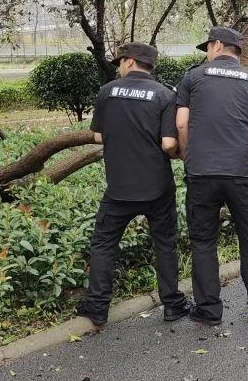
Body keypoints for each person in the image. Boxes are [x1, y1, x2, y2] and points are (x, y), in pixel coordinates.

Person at [78, 42, 190, 327]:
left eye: (120, 62)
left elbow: (98, 138)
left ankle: (98, 307)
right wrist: (179, 154)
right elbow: (168, 143)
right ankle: (172, 305)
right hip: (157, 186)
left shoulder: (107, 92)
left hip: (119, 187)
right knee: (164, 243)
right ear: (149, 66)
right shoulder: (166, 94)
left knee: (103, 243)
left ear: (128, 62)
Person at [175, 26, 248, 326]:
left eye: (207, 46)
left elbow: (181, 124)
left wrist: (186, 155)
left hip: (201, 173)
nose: (207, 52)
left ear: (218, 45)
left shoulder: (193, 78)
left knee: (204, 241)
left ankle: (208, 310)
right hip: (242, 174)